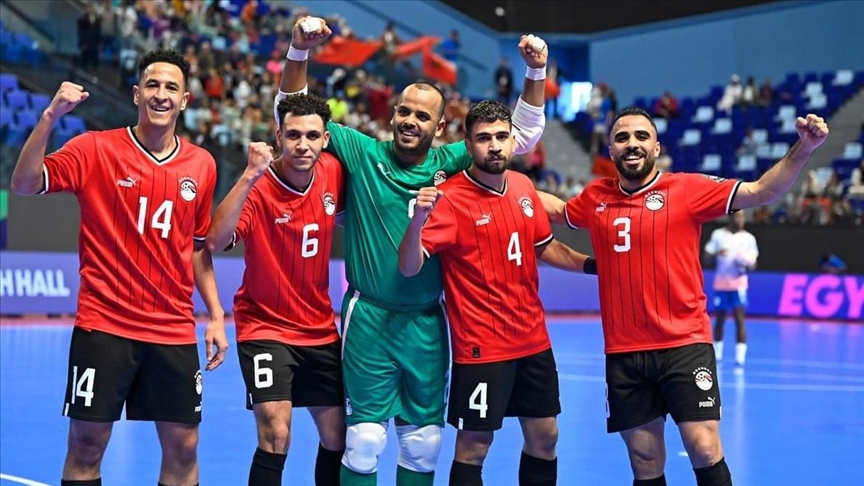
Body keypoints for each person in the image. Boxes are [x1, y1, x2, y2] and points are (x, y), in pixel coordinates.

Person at [276, 16, 550, 486]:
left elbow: (519, 136)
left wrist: (536, 71)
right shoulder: (362, 153)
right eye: (404, 111)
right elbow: (294, 114)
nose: (410, 121)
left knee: (424, 444)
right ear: (392, 114)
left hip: (426, 321)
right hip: (369, 319)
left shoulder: (452, 161)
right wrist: (298, 50)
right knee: (363, 441)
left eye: (423, 116)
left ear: (440, 126)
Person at [541, 106, 828, 485]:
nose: (632, 144)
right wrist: (505, 185)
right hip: (624, 352)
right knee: (644, 460)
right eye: (622, 138)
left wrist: (804, 147)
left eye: (642, 136)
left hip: (684, 343)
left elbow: (763, 191)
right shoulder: (597, 197)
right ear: (610, 150)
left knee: (704, 448)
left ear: (656, 147)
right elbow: (557, 210)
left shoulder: (688, 189)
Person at [10, 48, 229, 486]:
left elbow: (196, 247)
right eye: (152, 85)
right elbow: (24, 184)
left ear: (185, 100)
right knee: (87, 445)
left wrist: (217, 315)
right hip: (104, 325)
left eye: (171, 87)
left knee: (184, 447)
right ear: (136, 94)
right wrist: (50, 116)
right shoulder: (95, 148)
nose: (161, 94)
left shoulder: (202, 165)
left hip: (171, 329)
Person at [397, 100, 597, 486]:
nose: (494, 146)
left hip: (534, 341)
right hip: (482, 347)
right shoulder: (450, 199)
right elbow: (408, 266)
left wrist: (593, 266)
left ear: (512, 142)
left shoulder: (523, 186)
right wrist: (418, 220)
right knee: (475, 445)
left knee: (545, 437)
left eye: (502, 137)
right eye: (484, 138)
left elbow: (544, 247)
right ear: (468, 144)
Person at [206, 94, 346, 486]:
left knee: (339, 435)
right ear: (279, 136)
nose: (303, 145)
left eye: (313, 136)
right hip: (264, 327)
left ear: (326, 139)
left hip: (319, 329)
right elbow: (215, 240)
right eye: (294, 135)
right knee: (276, 433)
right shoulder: (259, 187)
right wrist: (249, 175)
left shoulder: (334, 172)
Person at [704, 211, 758, 367]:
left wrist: (747, 262)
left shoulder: (749, 238)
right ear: (731, 217)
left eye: (743, 217)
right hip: (721, 283)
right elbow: (706, 257)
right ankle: (717, 355)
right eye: (737, 216)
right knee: (719, 319)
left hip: (739, 284)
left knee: (740, 319)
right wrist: (716, 253)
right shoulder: (718, 235)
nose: (741, 220)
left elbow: (754, 264)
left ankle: (740, 359)